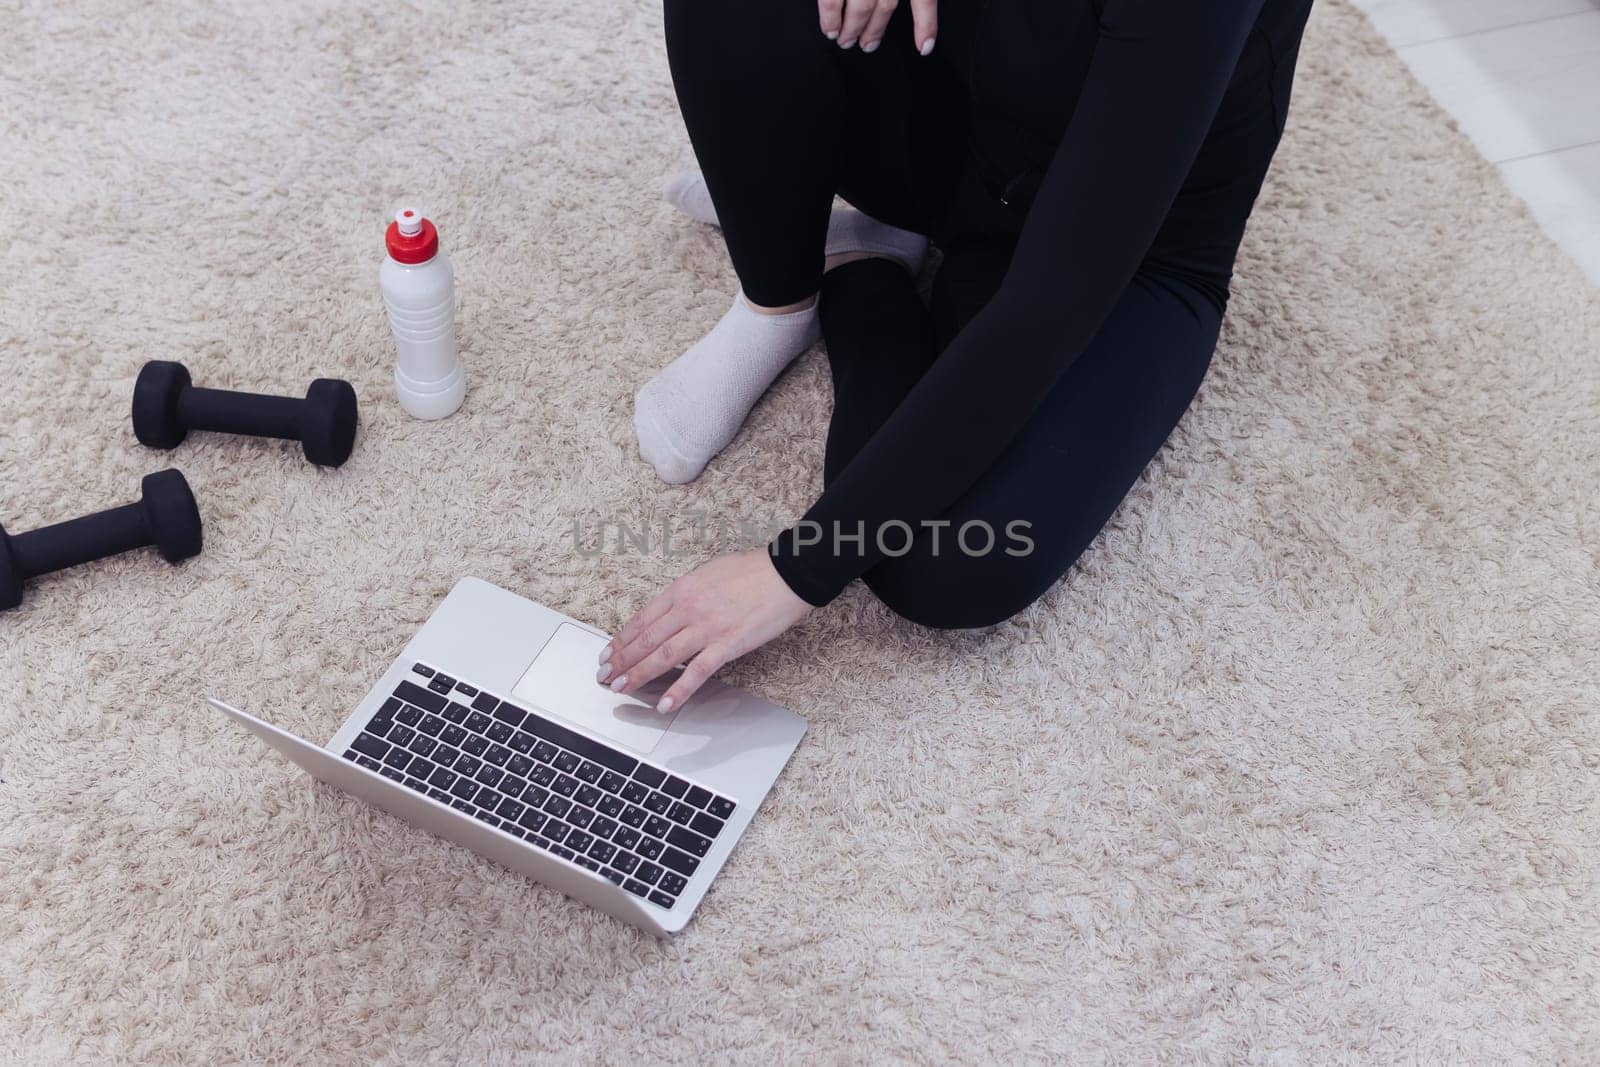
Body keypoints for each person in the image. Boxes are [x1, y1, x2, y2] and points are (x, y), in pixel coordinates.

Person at [601, 0, 1316, 712]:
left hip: (1133, 260)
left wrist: (794, 570)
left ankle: (856, 265)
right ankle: (776, 300)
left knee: (951, 561)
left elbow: (1054, 299)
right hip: (966, 126)